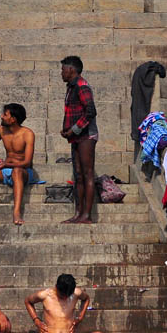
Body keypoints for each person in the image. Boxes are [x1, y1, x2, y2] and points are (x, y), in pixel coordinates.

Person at [61, 55, 98, 224]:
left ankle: (87, 215)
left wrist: (74, 129)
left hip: (86, 135)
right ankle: (78, 213)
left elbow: (90, 111)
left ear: (71, 70)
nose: (61, 73)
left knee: (87, 173)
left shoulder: (82, 86)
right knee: (78, 175)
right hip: (76, 136)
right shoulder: (71, 87)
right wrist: (67, 130)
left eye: (63, 69)